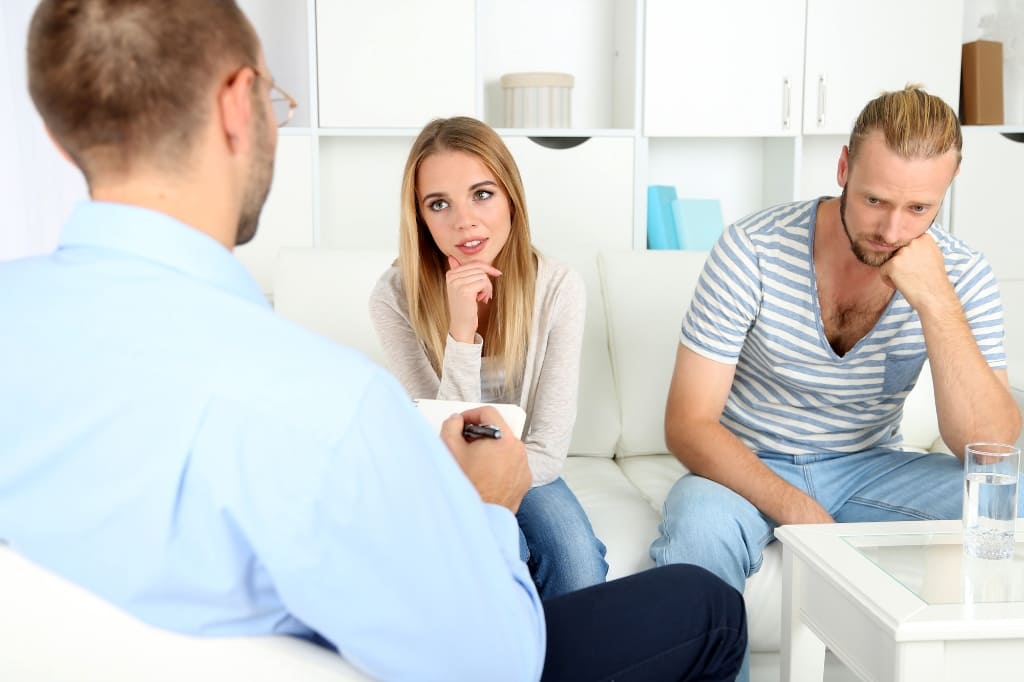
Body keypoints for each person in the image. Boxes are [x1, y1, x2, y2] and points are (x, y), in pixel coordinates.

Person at [0, 2, 747, 681]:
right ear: (237, 106)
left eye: (482, 194)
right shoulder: (331, 406)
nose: (464, 219)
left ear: (63, 136)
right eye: (274, 101)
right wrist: (489, 507)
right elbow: (494, 661)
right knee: (706, 605)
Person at [652, 85, 1021, 680]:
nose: (892, 229)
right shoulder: (751, 248)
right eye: (875, 199)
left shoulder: (962, 273)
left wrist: (934, 300)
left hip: (869, 466)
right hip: (748, 464)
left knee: (1011, 501)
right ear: (844, 167)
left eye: (920, 209)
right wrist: (800, 510)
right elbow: (688, 424)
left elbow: (989, 449)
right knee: (699, 529)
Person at [369, 116, 607, 599]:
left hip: (531, 466)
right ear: (420, 218)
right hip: (445, 472)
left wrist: (501, 484)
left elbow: (549, 448)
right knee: (496, 558)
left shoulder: (559, 287)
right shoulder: (393, 297)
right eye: (440, 204)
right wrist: (462, 332)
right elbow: (442, 445)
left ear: (511, 198)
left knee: (578, 561)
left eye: (482, 194)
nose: (465, 222)